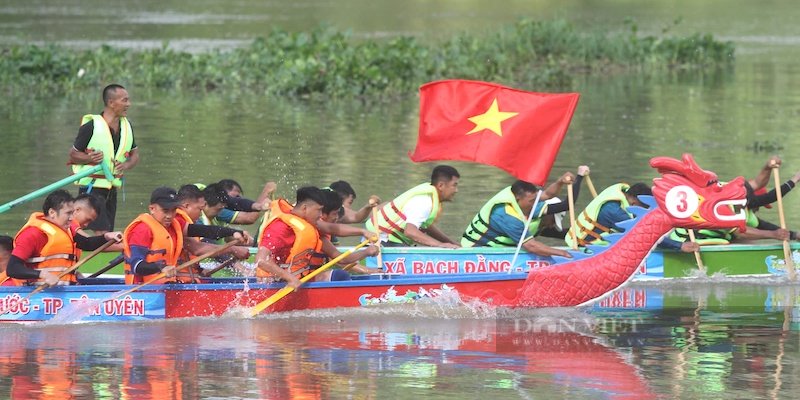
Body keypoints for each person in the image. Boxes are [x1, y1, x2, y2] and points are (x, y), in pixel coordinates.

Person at [255, 186, 378, 286]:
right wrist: (289, 278)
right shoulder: (280, 227)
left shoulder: (310, 227)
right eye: (318, 210)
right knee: (340, 276)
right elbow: (260, 260)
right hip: (272, 283)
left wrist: (366, 249)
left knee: (339, 276)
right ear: (304, 208)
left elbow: (340, 258)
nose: (320, 215)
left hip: (297, 278)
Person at [1, 190, 121, 286]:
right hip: (39, 295)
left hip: (63, 292)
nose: (71, 218)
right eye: (68, 213)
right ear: (52, 213)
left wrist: (106, 237)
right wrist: (43, 274)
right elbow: (13, 268)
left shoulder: (67, 230)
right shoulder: (33, 234)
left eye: (72, 213)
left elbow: (86, 243)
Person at [68, 84, 139, 233]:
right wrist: (89, 158)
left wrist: (125, 165)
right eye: (124, 100)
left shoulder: (127, 126)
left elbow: (135, 156)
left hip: (112, 187)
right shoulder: (91, 126)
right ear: (111, 103)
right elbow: (73, 155)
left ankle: (102, 250)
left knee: (108, 231)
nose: (129, 104)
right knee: (102, 233)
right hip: (92, 187)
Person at [461, 175, 583, 257]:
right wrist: (565, 254)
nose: (534, 204)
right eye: (531, 201)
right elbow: (531, 246)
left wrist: (560, 181)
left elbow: (547, 194)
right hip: (476, 253)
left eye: (535, 200)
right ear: (518, 198)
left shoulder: (524, 198)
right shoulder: (508, 216)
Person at [366, 165, 461, 248]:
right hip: (380, 240)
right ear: (441, 185)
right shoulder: (424, 201)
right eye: (454, 185)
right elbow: (410, 231)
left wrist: (452, 243)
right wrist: (439, 245)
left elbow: (426, 227)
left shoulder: (431, 198)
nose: (456, 190)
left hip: (390, 239)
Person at [122, 187, 185, 284]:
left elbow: (195, 229)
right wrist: (161, 267)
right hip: (143, 290)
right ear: (152, 209)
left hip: (166, 286)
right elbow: (136, 266)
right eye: (165, 210)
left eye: (173, 211)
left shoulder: (172, 226)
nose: (169, 216)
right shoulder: (142, 230)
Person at [565, 182, 653, 248]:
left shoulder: (621, 195)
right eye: (643, 208)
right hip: (583, 248)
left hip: (581, 241)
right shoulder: (615, 212)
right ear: (635, 201)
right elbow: (643, 235)